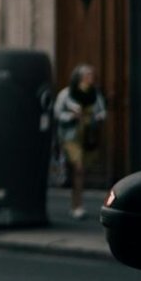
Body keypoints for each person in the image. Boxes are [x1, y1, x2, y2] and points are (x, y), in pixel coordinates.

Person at [54, 63, 107, 218]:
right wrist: (71, 116)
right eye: (88, 75)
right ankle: (77, 205)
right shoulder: (67, 94)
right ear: (80, 77)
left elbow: (103, 112)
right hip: (71, 136)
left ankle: (76, 199)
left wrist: (95, 118)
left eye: (92, 75)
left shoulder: (95, 94)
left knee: (81, 171)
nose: (91, 78)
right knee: (79, 168)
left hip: (88, 136)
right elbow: (57, 113)